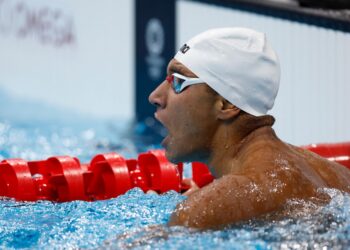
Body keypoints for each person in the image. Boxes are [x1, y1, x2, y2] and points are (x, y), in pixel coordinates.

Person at [148, 27, 350, 229]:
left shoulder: (206, 210)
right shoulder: (336, 176)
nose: (155, 97)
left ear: (227, 104)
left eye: (177, 82)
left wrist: (200, 211)